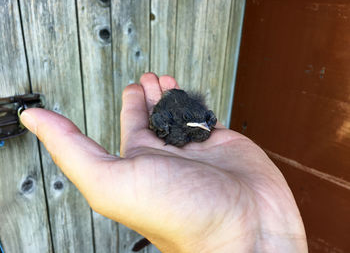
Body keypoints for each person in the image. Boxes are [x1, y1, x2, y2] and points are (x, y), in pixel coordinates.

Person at [20, 73, 307, 252]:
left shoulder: (198, 124)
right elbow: (177, 122)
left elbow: (201, 121)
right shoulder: (169, 123)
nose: (206, 130)